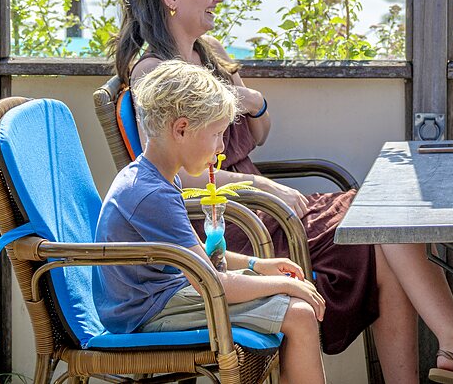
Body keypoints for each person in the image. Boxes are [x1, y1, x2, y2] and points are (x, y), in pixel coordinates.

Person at [114, 0, 453, 384]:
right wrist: (265, 188)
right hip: (235, 219)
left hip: (264, 206)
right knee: (382, 227)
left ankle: (448, 352)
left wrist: (254, 100)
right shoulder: (152, 73)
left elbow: (258, 135)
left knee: (385, 225)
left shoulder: (213, 52)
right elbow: (179, 178)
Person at [95, 59, 328, 384]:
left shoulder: (157, 178)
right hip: (149, 313)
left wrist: (257, 264)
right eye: (217, 134)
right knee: (299, 313)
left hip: (165, 296)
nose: (220, 148)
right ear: (181, 129)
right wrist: (287, 284)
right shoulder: (151, 194)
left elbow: (198, 257)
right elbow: (211, 281)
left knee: (294, 306)